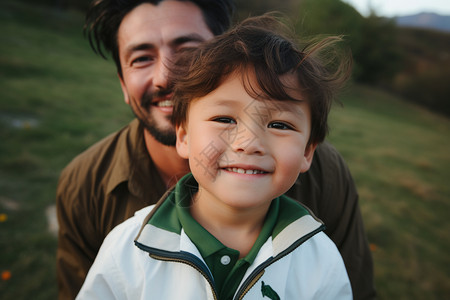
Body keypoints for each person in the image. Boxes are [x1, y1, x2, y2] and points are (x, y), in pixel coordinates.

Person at [56, 0, 375, 299]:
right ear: (123, 84)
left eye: (188, 51)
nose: (167, 76)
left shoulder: (324, 185)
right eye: (141, 58)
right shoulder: (91, 194)